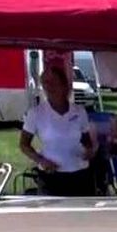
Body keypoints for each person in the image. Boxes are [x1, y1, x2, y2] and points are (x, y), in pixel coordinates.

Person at [19, 65, 95, 196]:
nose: (49, 87)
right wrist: (41, 160)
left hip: (79, 174)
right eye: (45, 83)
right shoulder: (36, 113)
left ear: (64, 85)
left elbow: (87, 141)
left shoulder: (79, 111)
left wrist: (89, 150)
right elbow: (24, 145)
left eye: (53, 82)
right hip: (51, 176)